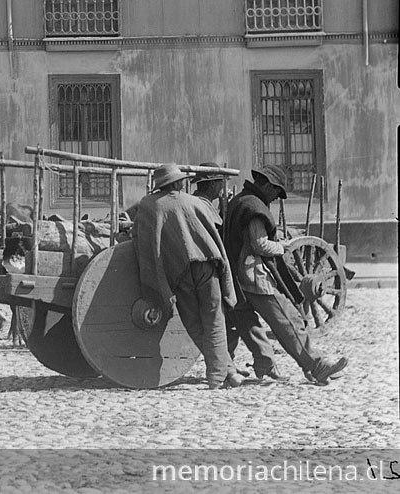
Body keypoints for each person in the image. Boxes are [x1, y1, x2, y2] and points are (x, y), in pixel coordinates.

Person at [222, 165, 348, 385]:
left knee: (247, 322)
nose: (276, 197)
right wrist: (282, 246)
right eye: (277, 192)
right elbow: (259, 244)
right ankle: (316, 365)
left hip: (237, 275)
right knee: (288, 319)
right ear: (267, 185)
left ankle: (265, 364)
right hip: (255, 276)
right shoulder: (254, 207)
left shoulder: (240, 201)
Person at [134, 163, 243, 390]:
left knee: (193, 323)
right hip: (207, 265)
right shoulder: (194, 203)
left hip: (179, 270)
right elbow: (213, 231)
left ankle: (222, 374)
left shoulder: (150, 206)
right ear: (179, 182)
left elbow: (142, 239)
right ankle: (225, 374)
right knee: (214, 320)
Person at [194, 162, 286, 383]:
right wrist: (282, 247)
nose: (222, 188)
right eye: (219, 183)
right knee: (226, 320)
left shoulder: (211, 204)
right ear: (213, 184)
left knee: (238, 318)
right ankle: (228, 368)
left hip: (225, 270)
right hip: (212, 270)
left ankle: (245, 364)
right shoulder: (201, 205)